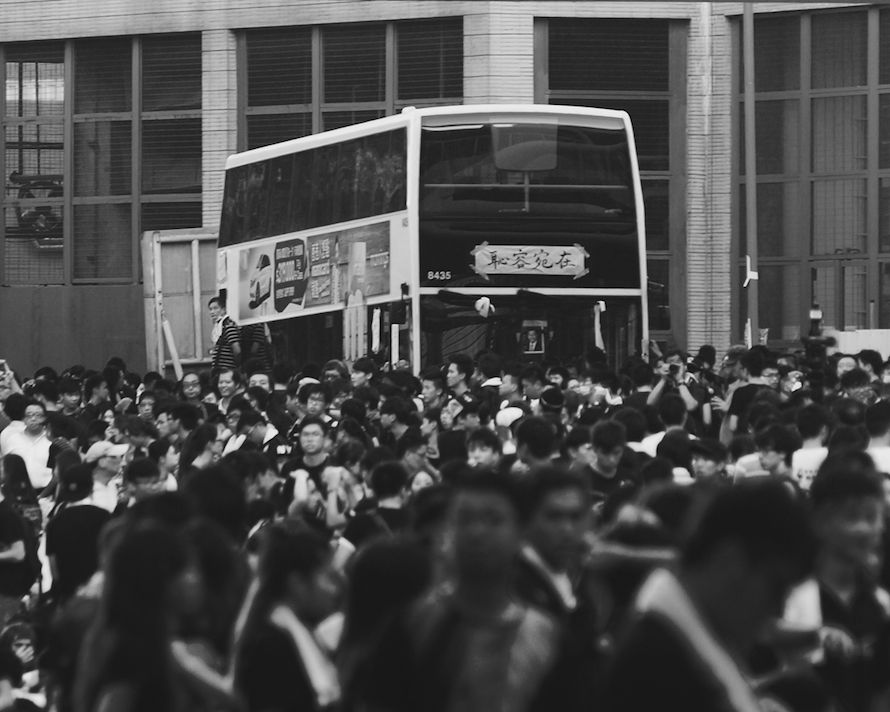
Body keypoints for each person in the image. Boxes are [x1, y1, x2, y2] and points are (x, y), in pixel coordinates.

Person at [597, 478, 815, 712]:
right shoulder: (662, 665)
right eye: (776, 586)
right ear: (730, 560)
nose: (776, 606)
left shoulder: (683, 631)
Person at [233, 520, 342, 712]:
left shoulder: (294, 628)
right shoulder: (271, 645)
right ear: (297, 582)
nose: (335, 589)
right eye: (327, 576)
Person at [45, 463, 111, 604]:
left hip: (69, 595)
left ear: (63, 487)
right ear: (91, 487)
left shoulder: (55, 522)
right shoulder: (104, 517)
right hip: (101, 592)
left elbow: (53, 567)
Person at [208, 296, 241, 374]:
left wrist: (236, 369)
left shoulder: (228, 326)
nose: (212, 312)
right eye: (210, 309)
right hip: (219, 370)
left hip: (228, 371)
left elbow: (237, 350)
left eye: (215, 308)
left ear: (223, 309)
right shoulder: (218, 326)